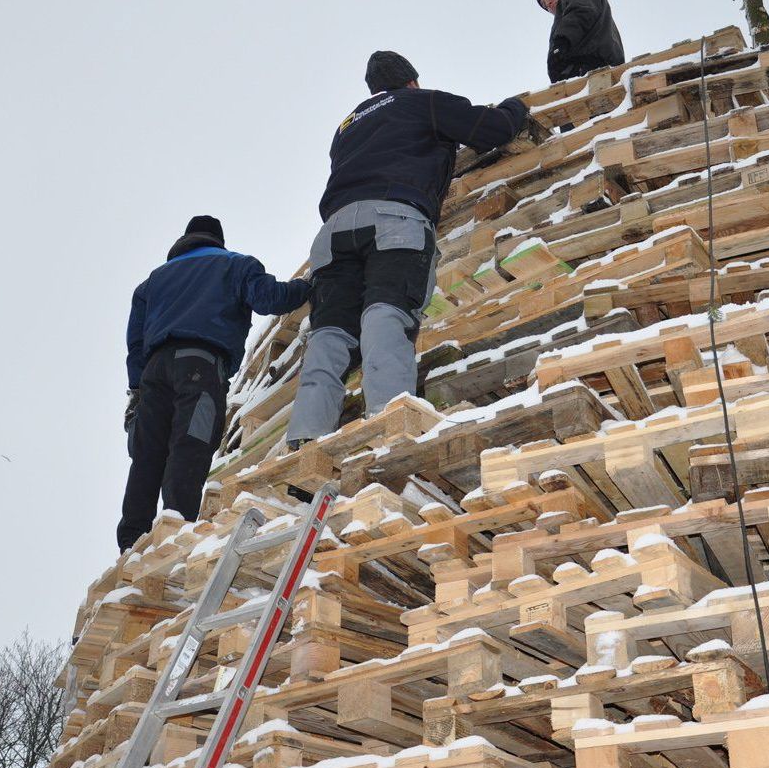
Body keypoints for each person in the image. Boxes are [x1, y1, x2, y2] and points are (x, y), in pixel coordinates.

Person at [286, 51, 529, 446]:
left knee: (330, 334)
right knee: (385, 314)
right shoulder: (421, 101)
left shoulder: (347, 126)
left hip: (332, 233)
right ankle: (388, 426)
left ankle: (305, 439)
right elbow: (492, 129)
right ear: (411, 80)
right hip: (392, 219)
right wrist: (515, 106)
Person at [117, 215, 312, 551]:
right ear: (217, 240)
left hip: (154, 372)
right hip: (201, 364)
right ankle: (176, 531)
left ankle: (131, 541)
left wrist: (136, 390)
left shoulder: (153, 281)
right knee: (190, 444)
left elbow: (135, 343)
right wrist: (310, 285)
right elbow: (271, 299)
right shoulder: (235, 265)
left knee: (148, 455)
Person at [535, 0, 625, 84]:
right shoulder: (562, 19)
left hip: (596, 65)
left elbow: (582, 12)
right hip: (580, 74)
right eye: (544, 5)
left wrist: (562, 41)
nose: (548, 4)